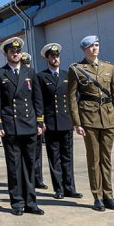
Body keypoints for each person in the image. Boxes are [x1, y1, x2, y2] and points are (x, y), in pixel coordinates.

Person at [0, 37, 45, 216]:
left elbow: (37, 99)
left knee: (30, 165)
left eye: (18, 51)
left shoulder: (30, 72)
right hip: (10, 126)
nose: (16, 54)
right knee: (14, 166)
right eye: (12, 52)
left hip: (29, 125)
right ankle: (17, 203)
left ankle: (31, 202)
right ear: (6, 54)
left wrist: (40, 121)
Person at [68, 36, 114, 212]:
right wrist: (77, 122)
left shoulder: (109, 67)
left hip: (107, 118)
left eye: (97, 45)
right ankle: (97, 196)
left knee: (106, 159)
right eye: (91, 46)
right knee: (94, 159)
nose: (95, 49)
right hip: (89, 119)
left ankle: (109, 196)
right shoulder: (76, 69)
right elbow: (72, 98)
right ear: (84, 49)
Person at [37, 44, 82, 200]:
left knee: (67, 156)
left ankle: (70, 188)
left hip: (66, 121)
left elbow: (74, 98)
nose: (55, 59)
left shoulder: (67, 75)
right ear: (47, 58)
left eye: (57, 56)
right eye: (52, 56)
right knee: (54, 157)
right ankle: (59, 189)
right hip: (51, 122)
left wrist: (76, 120)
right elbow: (39, 100)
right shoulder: (41, 77)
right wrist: (40, 120)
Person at [22, 53, 48, 189]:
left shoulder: (34, 76)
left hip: (34, 120)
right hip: (22, 121)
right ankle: (28, 178)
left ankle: (38, 178)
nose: (25, 66)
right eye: (23, 63)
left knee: (37, 152)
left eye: (27, 64)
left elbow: (39, 100)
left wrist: (40, 120)